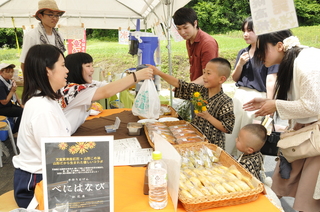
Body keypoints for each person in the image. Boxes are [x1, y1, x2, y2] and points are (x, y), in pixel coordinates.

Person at [243, 30, 320, 211]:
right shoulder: (293, 60)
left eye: (262, 50)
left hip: (313, 135)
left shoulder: (306, 63)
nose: (259, 56)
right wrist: (271, 103)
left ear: (280, 46)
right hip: (305, 131)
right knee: (292, 186)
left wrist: (275, 105)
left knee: (309, 195)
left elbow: (313, 106)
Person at [12, 44, 71, 208]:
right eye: (63, 65)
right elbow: (56, 157)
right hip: (36, 184)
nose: (67, 70)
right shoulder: (42, 108)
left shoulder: (47, 101)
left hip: (45, 176)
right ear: (48, 70)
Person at [149, 58, 234, 149]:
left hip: (212, 144)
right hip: (194, 138)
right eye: (204, 72)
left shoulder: (225, 101)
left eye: (208, 73)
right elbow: (179, 84)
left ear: (221, 79)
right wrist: (159, 73)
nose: (204, 76)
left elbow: (227, 128)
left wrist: (208, 117)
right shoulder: (200, 91)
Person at [59, 52, 153, 134]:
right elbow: (106, 92)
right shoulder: (73, 90)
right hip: (60, 137)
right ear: (76, 69)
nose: (92, 69)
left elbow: (113, 87)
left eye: (92, 65)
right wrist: (136, 76)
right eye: (88, 66)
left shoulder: (88, 84)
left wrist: (139, 78)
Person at [225, 17, 278, 157]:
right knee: (232, 131)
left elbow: (271, 79)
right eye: (244, 30)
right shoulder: (243, 52)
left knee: (250, 135)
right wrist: (240, 64)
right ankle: (227, 159)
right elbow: (235, 78)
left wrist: (270, 102)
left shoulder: (268, 53)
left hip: (257, 97)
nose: (246, 34)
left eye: (250, 30)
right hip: (240, 95)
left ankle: (248, 166)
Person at [173, 7, 218, 84]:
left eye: (185, 27)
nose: (182, 32)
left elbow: (208, 75)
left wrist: (186, 88)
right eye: (179, 28)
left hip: (209, 91)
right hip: (197, 89)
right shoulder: (188, 40)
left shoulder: (207, 43)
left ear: (195, 23)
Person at [19, 0, 65, 71]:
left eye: (57, 15)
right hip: (38, 75)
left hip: (55, 74)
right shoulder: (32, 35)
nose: (55, 18)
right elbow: (24, 62)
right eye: (50, 15)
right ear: (40, 16)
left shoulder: (59, 36)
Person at [0, 63, 23, 134]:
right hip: (2, 108)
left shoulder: (9, 81)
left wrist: (20, 104)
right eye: (7, 72)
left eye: (12, 72)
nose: (11, 74)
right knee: (23, 112)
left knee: (24, 109)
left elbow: (14, 93)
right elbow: (4, 102)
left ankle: (17, 130)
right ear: (1, 72)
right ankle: (14, 132)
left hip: (8, 105)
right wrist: (12, 90)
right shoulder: (0, 84)